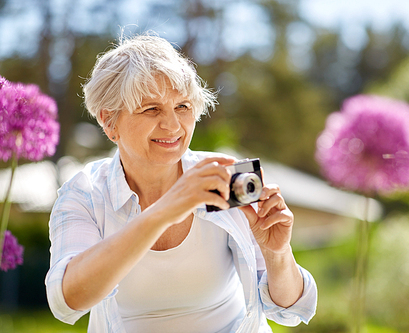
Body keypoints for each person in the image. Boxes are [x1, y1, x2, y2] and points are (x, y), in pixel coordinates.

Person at [45, 33, 317, 333]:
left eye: (183, 106)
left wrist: (277, 253)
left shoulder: (222, 175)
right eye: (151, 109)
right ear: (109, 122)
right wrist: (164, 211)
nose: (173, 126)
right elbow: (66, 299)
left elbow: (289, 311)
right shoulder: (85, 194)